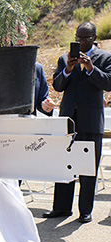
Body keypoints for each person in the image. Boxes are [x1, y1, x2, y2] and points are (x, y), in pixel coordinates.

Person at [43, 22, 111, 223]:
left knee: (88, 166)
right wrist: (67, 70)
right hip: (68, 121)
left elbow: (108, 83)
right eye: (78, 38)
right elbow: (57, 85)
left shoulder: (105, 57)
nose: (81, 42)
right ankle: (62, 208)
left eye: (85, 38)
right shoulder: (65, 58)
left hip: (91, 120)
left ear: (94, 38)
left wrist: (90, 68)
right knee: (64, 165)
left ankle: (85, 210)